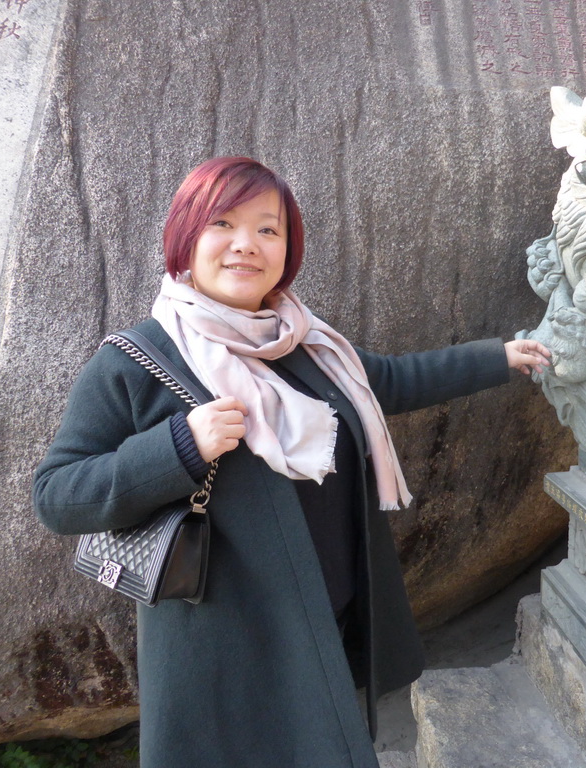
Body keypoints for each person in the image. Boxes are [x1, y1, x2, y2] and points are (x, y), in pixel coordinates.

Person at [33, 156, 550, 768]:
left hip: (320, 618)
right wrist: (178, 447)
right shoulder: (134, 359)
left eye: (268, 230)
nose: (246, 245)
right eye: (222, 223)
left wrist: (497, 358)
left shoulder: (303, 342)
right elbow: (58, 495)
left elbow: (382, 380)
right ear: (185, 237)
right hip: (222, 654)